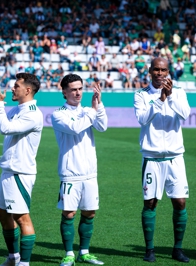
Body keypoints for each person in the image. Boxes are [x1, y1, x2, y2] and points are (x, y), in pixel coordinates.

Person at [134, 57, 191, 263]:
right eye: (156, 69)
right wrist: (160, 99)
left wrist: (171, 95)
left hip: (175, 157)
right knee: (150, 203)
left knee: (180, 202)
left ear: (169, 72)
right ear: (150, 71)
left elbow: (185, 114)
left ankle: (178, 249)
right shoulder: (141, 94)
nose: (160, 73)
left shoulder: (180, 92)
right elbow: (142, 119)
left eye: (163, 69)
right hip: (151, 157)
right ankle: (149, 250)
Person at [0, 73, 43, 266]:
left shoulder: (33, 113)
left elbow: (6, 129)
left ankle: (24, 263)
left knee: (22, 218)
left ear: (28, 90)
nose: (12, 88)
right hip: (8, 170)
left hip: (20, 172)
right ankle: (13, 257)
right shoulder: (16, 109)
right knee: (1, 214)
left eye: (16, 85)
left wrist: (0, 106)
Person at [51, 74, 108, 266]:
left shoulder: (87, 110)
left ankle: (84, 252)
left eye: (80, 88)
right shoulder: (58, 114)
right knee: (68, 213)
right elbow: (76, 128)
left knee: (89, 213)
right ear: (64, 92)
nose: (78, 92)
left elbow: (102, 126)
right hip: (70, 172)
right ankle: (69, 253)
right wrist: (92, 111)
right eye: (73, 89)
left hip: (90, 172)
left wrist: (98, 106)